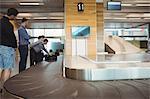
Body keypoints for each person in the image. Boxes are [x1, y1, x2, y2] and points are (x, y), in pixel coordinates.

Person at [0, 8, 18, 92]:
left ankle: (1, 86)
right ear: (12, 15)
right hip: (6, 48)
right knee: (8, 68)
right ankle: (5, 88)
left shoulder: (0, 22)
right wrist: (15, 46)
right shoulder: (8, 24)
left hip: (0, 47)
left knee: (2, 68)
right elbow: (11, 37)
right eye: (14, 16)